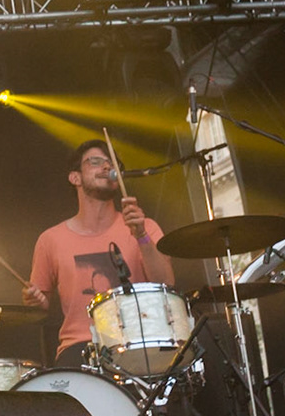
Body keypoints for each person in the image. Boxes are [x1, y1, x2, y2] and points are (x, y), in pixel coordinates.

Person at [24, 139, 176, 366]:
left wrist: (141, 236)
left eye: (111, 164)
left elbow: (166, 284)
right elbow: (39, 306)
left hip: (140, 341)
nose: (106, 167)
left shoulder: (146, 226)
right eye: (95, 162)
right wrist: (35, 301)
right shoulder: (50, 240)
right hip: (80, 347)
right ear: (75, 178)